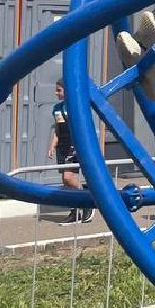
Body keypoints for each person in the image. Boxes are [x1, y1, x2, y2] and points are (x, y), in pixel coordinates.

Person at [46, 78, 94, 223]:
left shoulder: (76, 107)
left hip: (76, 145)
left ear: (68, 91)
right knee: (66, 180)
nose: (56, 93)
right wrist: (52, 144)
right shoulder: (57, 108)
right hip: (63, 145)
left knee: (68, 177)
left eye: (59, 90)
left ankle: (87, 202)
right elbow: (58, 128)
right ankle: (76, 210)